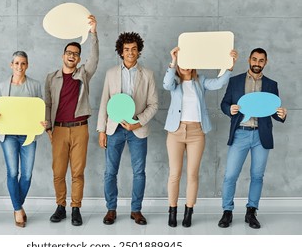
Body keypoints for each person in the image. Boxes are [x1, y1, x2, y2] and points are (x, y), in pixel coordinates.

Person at [163, 46, 237, 228]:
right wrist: (172, 62)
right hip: (176, 132)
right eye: (181, 62)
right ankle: (172, 211)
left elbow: (218, 84)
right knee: (174, 174)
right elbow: (166, 84)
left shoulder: (200, 81)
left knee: (193, 174)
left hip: (197, 133)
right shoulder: (174, 82)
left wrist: (229, 66)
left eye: (188, 62)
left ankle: (189, 211)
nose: (185, 66)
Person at [218, 48, 287, 229]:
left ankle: (251, 212)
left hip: (261, 135)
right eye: (254, 59)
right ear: (249, 59)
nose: (257, 63)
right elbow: (224, 104)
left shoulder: (272, 85)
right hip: (240, 132)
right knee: (230, 175)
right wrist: (229, 109)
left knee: (257, 176)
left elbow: (274, 112)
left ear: (266, 62)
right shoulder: (235, 81)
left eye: (261, 60)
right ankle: (227, 212)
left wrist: (282, 114)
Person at [97, 32, 158, 225]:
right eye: (126, 49)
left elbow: (154, 104)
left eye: (133, 49)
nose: (130, 53)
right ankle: (111, 209)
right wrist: (101, 130)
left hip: (137, 129)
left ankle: (136, 210)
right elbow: (104, 102)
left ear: (138, 51)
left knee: (139, 172)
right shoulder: (111, 73)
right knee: (110, 172)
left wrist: (137, 122)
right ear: (121, 52)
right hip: (114, 129)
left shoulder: (147, 75)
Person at [44, 15, 98, 226]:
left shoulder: (83, 74)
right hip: (58, 130)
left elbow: (94, 59)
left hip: (79, 129)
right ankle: (60, 206)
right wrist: (48, 127)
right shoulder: (51, 77)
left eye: (76, 54)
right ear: (63, 55)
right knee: (58, 171)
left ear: (78, 58)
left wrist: (93, 33)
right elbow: (47, 103)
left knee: (77, 172)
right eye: (69, 53)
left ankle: (76, 208)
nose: (72, 56)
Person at [0, 51, 44, 228]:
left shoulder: (35, 86)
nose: (20, 67)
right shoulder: (1, 86)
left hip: (28, 134)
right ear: (11, 65)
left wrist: (43, 122)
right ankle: (18, 210)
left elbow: (39, 109)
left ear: (27, 65)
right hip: (8, 135)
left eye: (23, 63)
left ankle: (16, 206)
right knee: (13, 172)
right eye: (16, 63)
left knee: (27, 174)